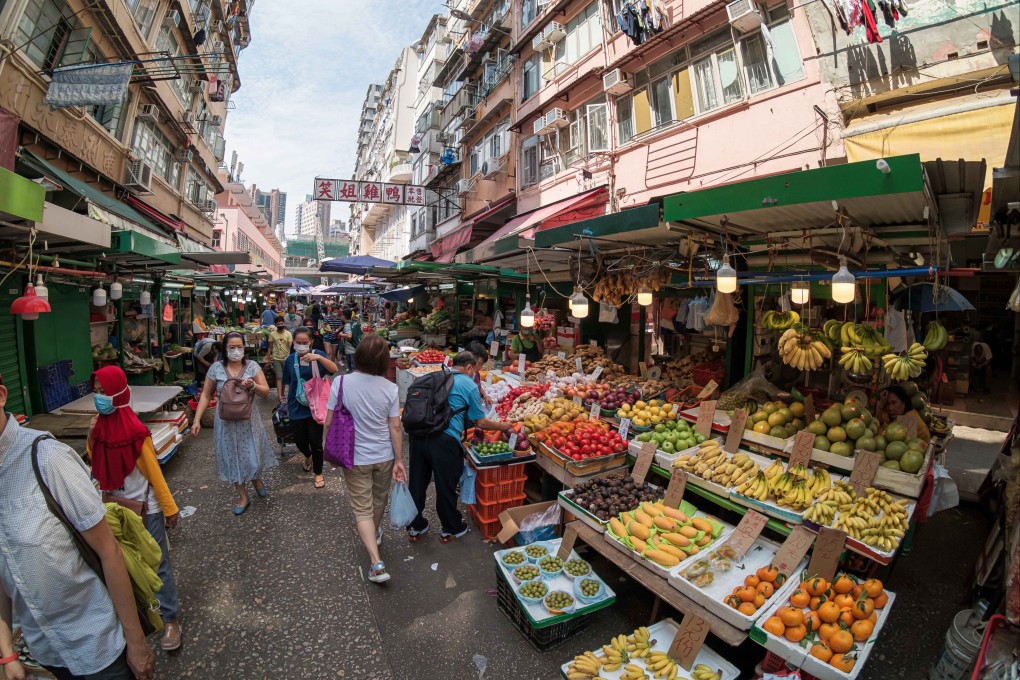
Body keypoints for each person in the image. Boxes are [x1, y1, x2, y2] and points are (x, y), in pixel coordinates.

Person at [0, 377, 156, 680]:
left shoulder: (47, 458)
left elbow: (108, 551)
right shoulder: (95, 430)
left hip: (97, 644)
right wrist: (6, 652)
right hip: (45, 650)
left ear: (2, 395)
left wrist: (136, 642)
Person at [88, 366, 183, 653]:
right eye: (96, 391)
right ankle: (138, 614)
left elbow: (155, 476)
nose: (99, 397)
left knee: (157, 563)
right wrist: (91, 436)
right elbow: (95, 463)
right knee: (121, 564)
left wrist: (170, 509)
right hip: (113, 509)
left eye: (104, 391)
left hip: (145, 508)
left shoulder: (136, 433)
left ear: (118, 394)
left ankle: (170, 619)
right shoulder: (99, 427)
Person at [325, 334, 406, 582]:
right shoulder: (390, 388)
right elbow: (395, 427)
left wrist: (327, 452)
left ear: (358, 355)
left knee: (362, 509)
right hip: (383, 456)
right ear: (383, 362)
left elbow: (328, 422)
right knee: (378, 500)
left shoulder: (340, 383)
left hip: (354, 456)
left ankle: (376, 563)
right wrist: (400, 460)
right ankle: (376, 531)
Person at [406, 352, 511, 544]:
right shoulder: (469, 385)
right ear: (470, 368)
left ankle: (415, 526)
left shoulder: (434, 377)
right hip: (444, 440)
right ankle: (451, 527)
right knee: (446, 484)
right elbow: (481, 422)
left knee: (417, 483)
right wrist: (504, 426)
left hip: (418, 436)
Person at [192, 331, 277, 515]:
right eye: (231, 347)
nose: (236, 350)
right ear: (225, 349)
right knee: (232, 459)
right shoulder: (215, 368)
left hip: (249, 422)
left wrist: (253, 385)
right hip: (225, 423)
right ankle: (242, 496)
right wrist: (196, 419)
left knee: (253, 458)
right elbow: (206, 394)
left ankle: (256, 478)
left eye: (239, 347)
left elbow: (265, 392)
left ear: (244, 348)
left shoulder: (252, 366)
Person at [282, 327, 337, 489]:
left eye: (305, 342)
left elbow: (333, 369)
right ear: (293, 342)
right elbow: (287, 381)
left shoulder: (318, 355)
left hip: (317, 407)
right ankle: (307, 455)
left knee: (316, 442)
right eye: (298, 343)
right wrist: (282, 398)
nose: (301, 345)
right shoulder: (290, 360)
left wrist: (318, 358)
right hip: (295, 406)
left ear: (311, 341)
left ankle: (319, 473)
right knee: (300, 441)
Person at [265, 317, 293, 405]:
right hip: (276, 358)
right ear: (275, 324)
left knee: (285, 378)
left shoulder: (288, 334)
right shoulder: (272, 334)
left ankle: (282, 393)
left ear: (284, 323)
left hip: (287, 359)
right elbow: (270, 347)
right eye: (278, 324)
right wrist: (268, 358)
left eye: (281, 323)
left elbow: (291, 346)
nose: (280, 325)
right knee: (279, 377)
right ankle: (280, 397)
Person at [467, 341, 494, 407]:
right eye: (479, 363)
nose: (480, 367)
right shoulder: (463, 378)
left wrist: (485, 395)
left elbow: (478, 386)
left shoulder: (475, 374)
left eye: (482, 364)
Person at [338, 309, 359, 373]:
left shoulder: (347, 325)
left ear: (344, 317)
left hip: (350, 350)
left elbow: (349, 336)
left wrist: (341, 334)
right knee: (355, 369)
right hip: (355, 348)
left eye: (342, 315)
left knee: (352, 369)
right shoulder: (354, 322)